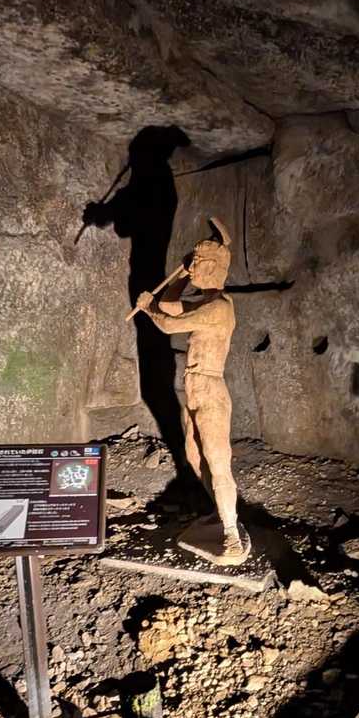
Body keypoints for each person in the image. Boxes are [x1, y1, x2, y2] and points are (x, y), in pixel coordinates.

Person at [135, 227, 246, 563]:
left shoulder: (219, 307)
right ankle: (220, 512)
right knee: (195, 457)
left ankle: (232, 537)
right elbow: (170, 305)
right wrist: (182, 275)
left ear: (212, 267)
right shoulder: (206, 302)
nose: (193, 266)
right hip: (194, 389)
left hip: (210, 389)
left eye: (197, 262)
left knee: (217, 460)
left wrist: (147, 308)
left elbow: (168, 323)